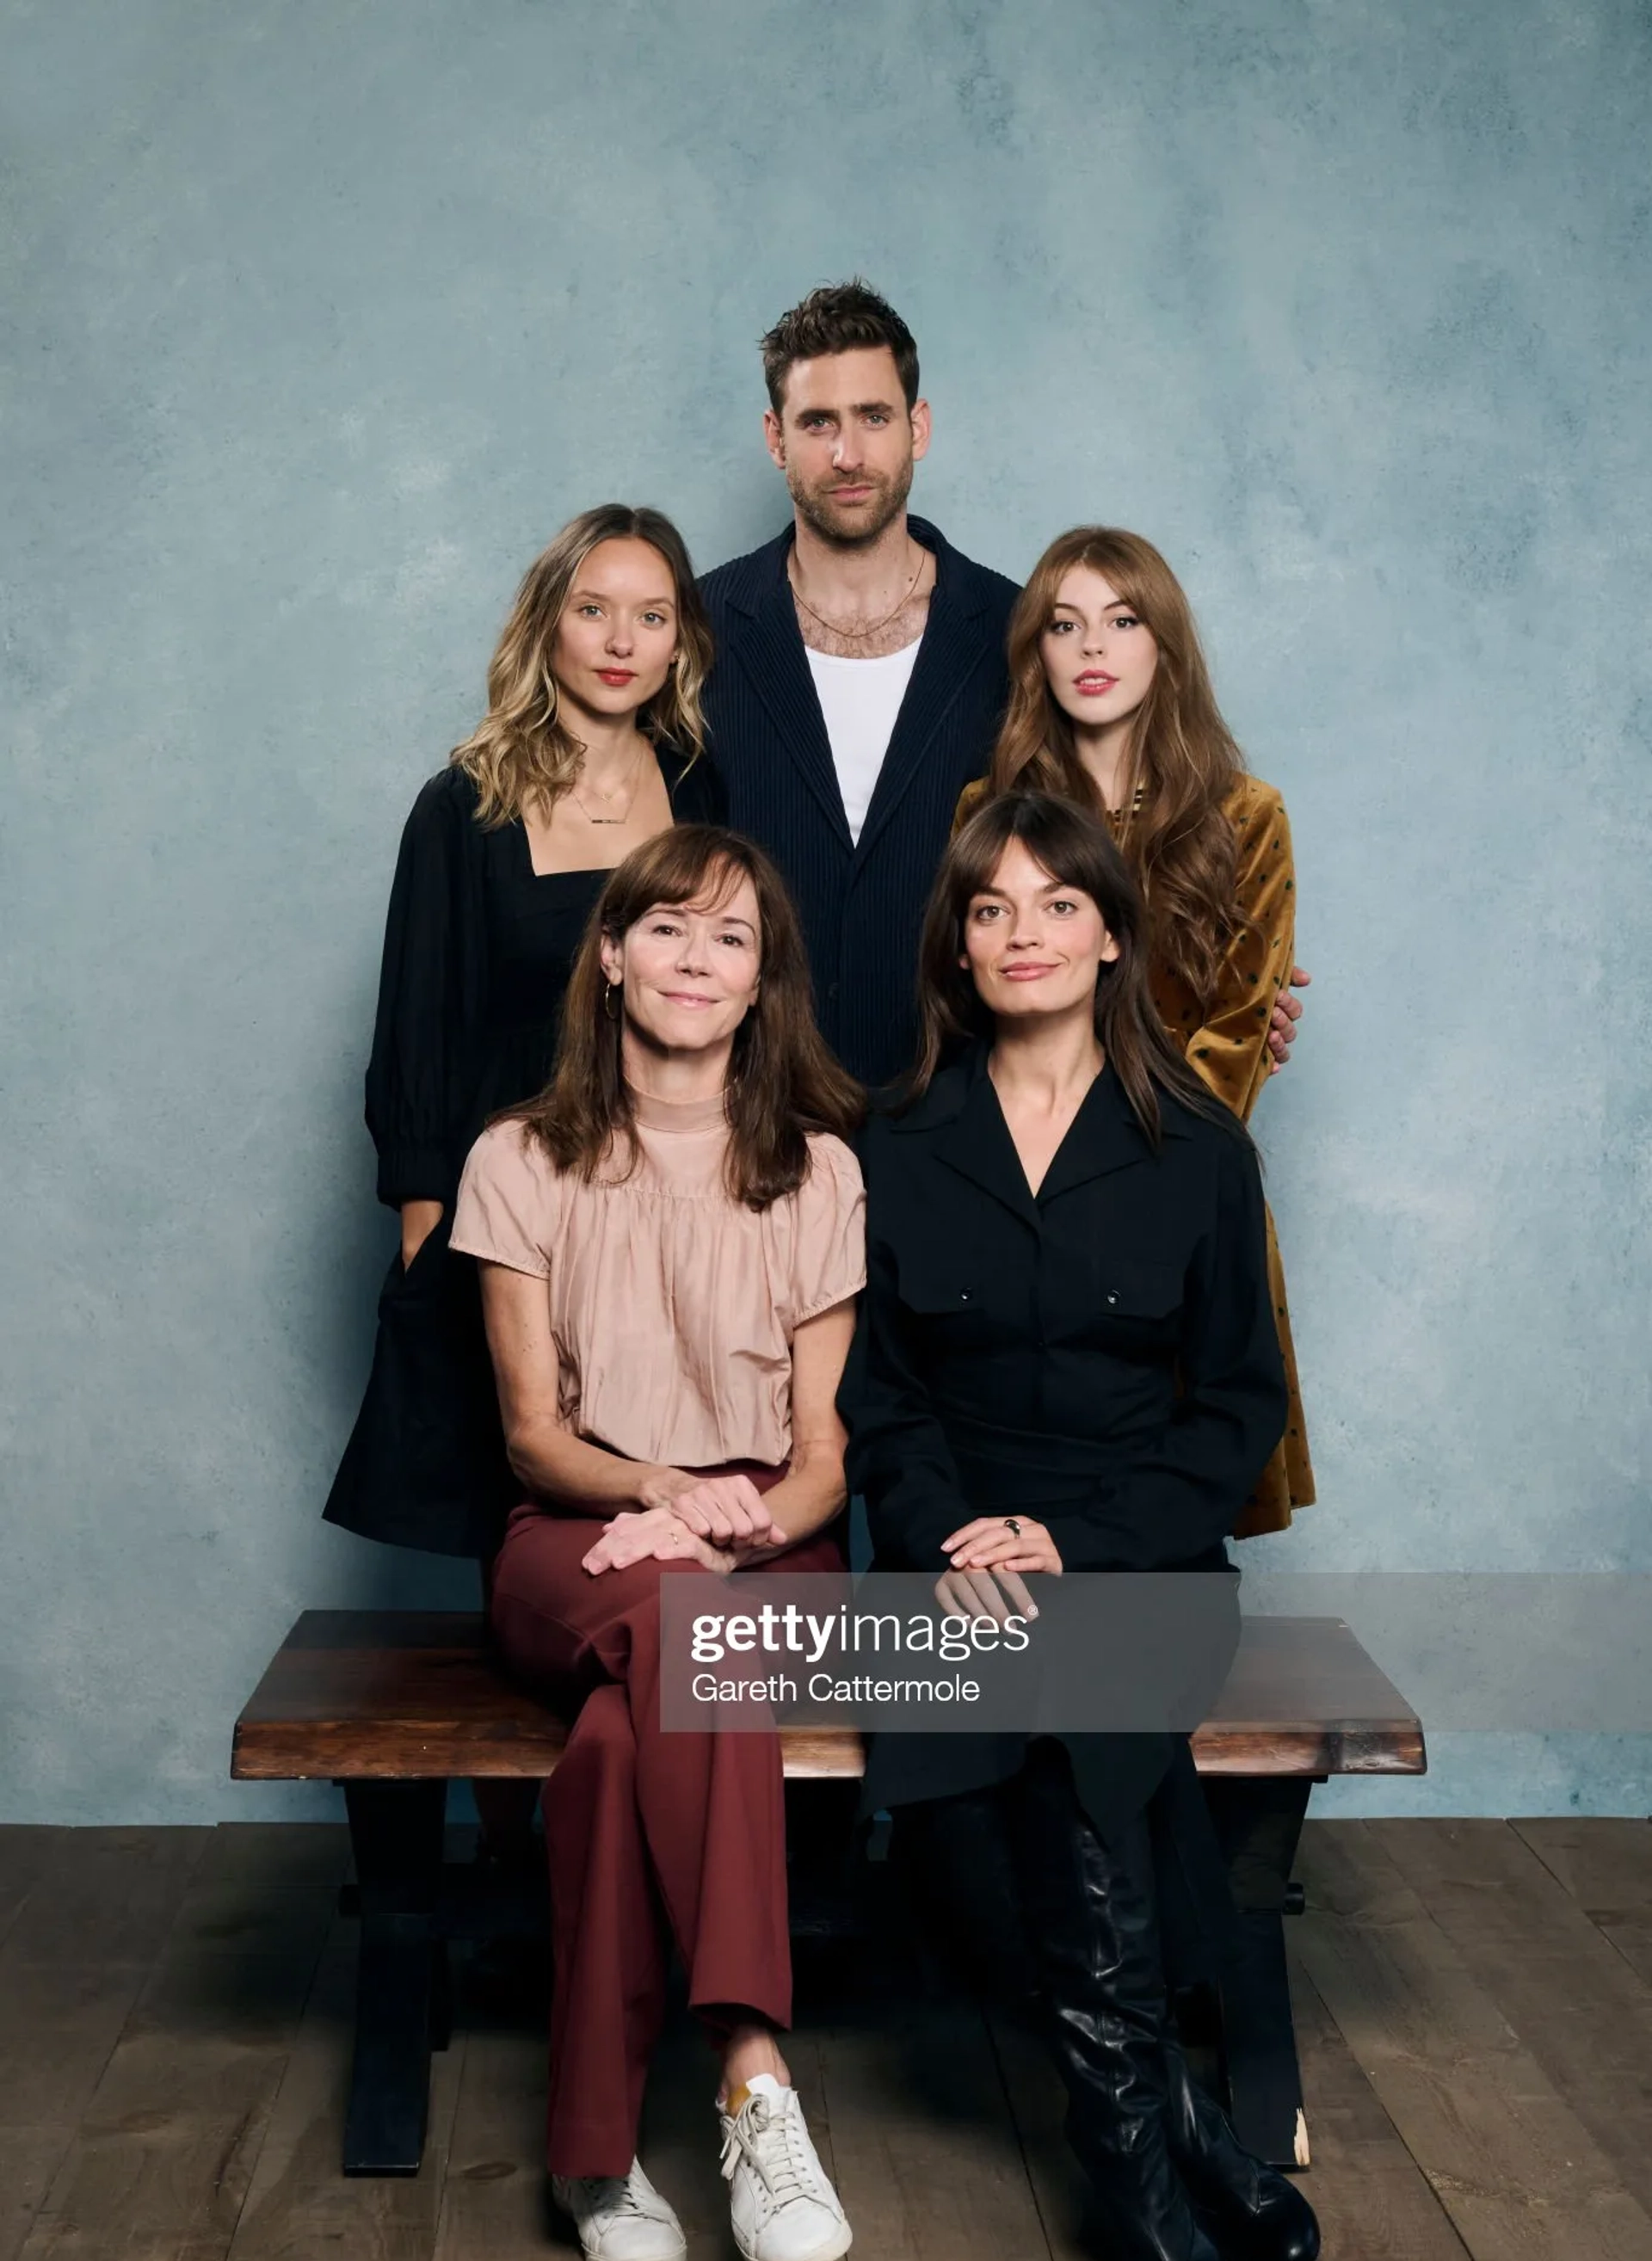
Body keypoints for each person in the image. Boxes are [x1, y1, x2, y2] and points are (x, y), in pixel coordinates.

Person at [843, 791, 1320, 2261]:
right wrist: (943, 1534)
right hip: (956, 1552)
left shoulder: (1198, 1147)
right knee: (1019, 1748)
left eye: (1056, 906)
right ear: (959, 945)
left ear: (1110, 934)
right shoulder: (894, 1144)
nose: (1022, 934)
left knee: (1073, 1697)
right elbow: (879, 1396)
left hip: (1140, 1555)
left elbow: (1238, 1409)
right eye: (990, 910)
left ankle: (1128, 2155)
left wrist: (1082, 1540)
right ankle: (1169, 2129)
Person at [451, 825, 864, 2261]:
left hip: (769, 1550)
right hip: (578, 1538)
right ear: (612, 956)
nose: (698, 959)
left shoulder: (818, 1170)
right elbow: (529, 1438)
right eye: (668, 929)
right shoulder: (515, 1155)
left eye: (732, 938)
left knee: (631, 1742)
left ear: (764, 984)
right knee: (684, 1624)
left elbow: (821, 1459)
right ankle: (755, 2075)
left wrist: (720, 1521)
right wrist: (663, 1494)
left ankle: (592, 2153)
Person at [699, 283, 1307, 1094]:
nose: (848, 454)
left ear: (918, 428)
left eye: (875, 417)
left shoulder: (1025, 633)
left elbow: (1118, 831)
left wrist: (1235, 977)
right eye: (818, 423)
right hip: (740, 1108)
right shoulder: (694, 629)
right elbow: (626, 853)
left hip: (964, 1125)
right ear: (776, 438)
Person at [325, 504, 721, 1565]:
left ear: (681, 638)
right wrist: (424, 1224)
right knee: (513, 1494)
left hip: (663, 1193)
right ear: (549, 624)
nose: (622, 641)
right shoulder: (463, 806)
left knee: (645, 1496)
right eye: (595, 610)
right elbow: (416, 1028)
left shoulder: (701, 791)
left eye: (652, 615)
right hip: (510, 1199)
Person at [955, 526, 1315, 1536]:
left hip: (1181, 1185)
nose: (1093, 648)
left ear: (1166, 645)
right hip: (1016, 1182)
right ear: (1037, 653)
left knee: (1164, 1488)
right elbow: (970, 1009)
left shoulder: (1244, 815)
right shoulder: (988, 811)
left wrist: (1110, 1177)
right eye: (1064, 627)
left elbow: (1238, 1035)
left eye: (1122, 621)